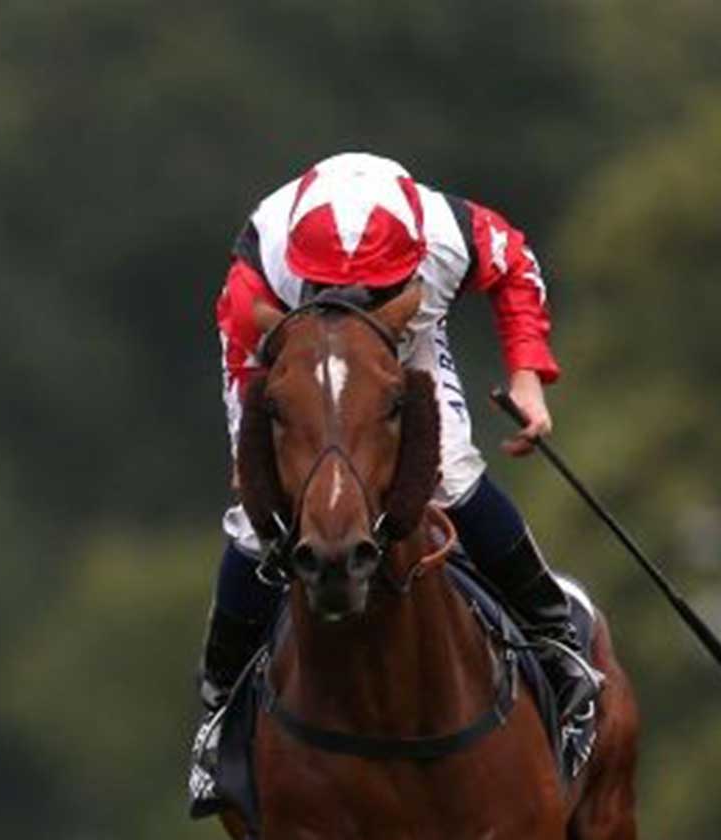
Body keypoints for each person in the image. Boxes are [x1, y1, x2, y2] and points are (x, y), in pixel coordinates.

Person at [193, 151, 595, 804]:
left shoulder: (449, 237)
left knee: (453, 476)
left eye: (369, 288)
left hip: (405, 333)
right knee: (254, 516)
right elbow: (251, 376)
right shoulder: (262, 266)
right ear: (301, 269)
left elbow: (517, 270)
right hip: (284, 342)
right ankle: (218, 708)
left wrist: (527, 377)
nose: (352, 299)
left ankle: (554, 641)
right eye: (334, 288)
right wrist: (261, 468)